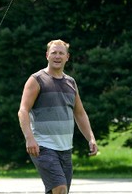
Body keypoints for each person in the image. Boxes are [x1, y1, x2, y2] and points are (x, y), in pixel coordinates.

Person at [18, 39, 98, 194]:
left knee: (61, 191)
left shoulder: (71, 82)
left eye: (61, 53)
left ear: (67, 57)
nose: (57, 56)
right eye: (54, 52)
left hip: (65, 148)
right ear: (47, 55)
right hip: (43, 146)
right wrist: (29, 137)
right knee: (60, 189)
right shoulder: (36, 80)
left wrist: (91, 138)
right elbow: (23, 110)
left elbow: (80, 113)